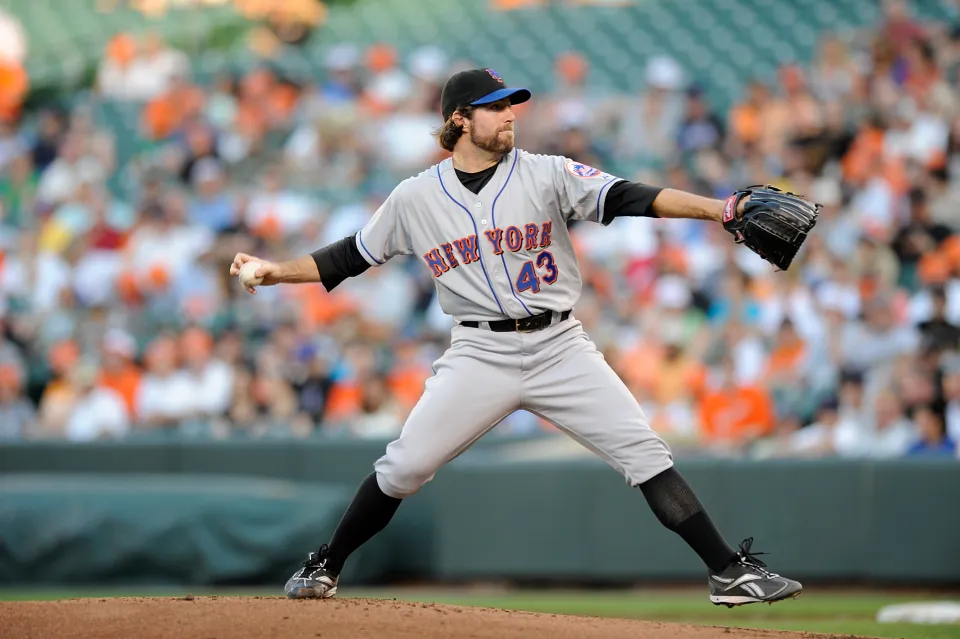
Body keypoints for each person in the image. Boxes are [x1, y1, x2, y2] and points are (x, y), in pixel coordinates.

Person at [230, 68, 802, 607]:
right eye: (495, 108)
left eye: (511, 106)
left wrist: (721, 209)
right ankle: (326, 563)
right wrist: (277, 271)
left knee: (644, 452)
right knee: (404, 467)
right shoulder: (415, 197)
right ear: (459, 120)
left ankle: (729, 571)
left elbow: (630, 196)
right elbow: (349, 255)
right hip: (481, 351)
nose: (509, 116)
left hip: (560, 346)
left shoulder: (547, 172)